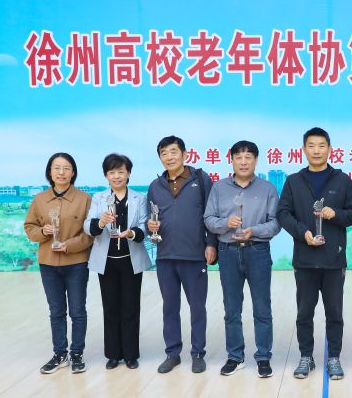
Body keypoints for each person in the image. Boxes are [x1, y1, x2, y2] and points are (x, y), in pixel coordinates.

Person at [276, 127, 352, 380]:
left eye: (321, 145)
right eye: (311, 146)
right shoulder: (294, 181)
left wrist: (337, 214)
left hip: (334, 259)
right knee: (304, 312)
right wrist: (302, 232)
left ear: (329, 149)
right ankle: (306, 357)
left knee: (334, 313)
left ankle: (334, 358)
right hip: (305, 258)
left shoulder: (342, 180)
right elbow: (283, 214)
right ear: (304, 150)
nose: (316, 150)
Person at [204, 140, 281, 378]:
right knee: (231, 309)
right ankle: (235, 357)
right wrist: (225, 223)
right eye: (238, 157)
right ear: (232, 161)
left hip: (257, 251)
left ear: (256, 160)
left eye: (248, 157)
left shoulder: (268, 188)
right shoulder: (219, 187)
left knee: (262, 308)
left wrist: (253, 230)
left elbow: (276, 223)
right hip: (227, 251)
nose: (243, 162)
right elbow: (208, 219)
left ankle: (263, 357)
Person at [147, 136, 219, 374]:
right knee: (169, 308)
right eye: (164, 153)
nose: (169, 157)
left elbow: (211, 215)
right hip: (165, 256)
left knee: (197, 307)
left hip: (194, 255)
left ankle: (198, 353)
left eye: (173, 152)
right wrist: (150, 226)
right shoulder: (155, 186)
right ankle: (172, 353)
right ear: (160, 158)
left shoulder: (201, 179)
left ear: (184, 154)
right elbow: (150, 219)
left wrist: (211, 244)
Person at [24, 152, 93, 374]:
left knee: (78, 311)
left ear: (73, 173)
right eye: (56, 168)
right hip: (48, 264)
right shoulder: (39, 199)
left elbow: (90, 234)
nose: (61, 172)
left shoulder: (85, 199)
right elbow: (29, 227)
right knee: (56, 311)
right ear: (50, 172)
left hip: (76, 263)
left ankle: (77, 353)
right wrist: (43, 232)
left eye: (66, 168)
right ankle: (60, 354)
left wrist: (68, 245)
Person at [85, 154, 151, 370]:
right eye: (112, 172)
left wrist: (132, 233)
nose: (116, 176)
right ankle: (113, 355)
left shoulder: (139, 198)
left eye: (121, 171)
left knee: (131, 308)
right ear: (106, 175)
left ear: (128, 174)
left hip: (131, 261)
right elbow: (87, 226)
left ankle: (131, 355)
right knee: (110, 308)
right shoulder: (99, 198)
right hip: (107, 262)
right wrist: (100, 222)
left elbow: (145, 226)